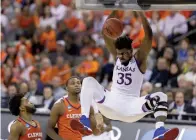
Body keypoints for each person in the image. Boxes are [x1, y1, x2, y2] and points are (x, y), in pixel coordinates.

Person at [72, 11, 179, 140]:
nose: (120, 56)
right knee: (88, 80)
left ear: (130, 51)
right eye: (118, 53)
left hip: (131, 107)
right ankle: (84, 121)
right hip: (111, 103)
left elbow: (149, 37)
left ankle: (159, 132)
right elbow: (105, 34)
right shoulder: (117, 56)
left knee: (161, 96)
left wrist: (141, 14)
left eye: (123, 54)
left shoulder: (139, 60)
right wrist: (116, 11)